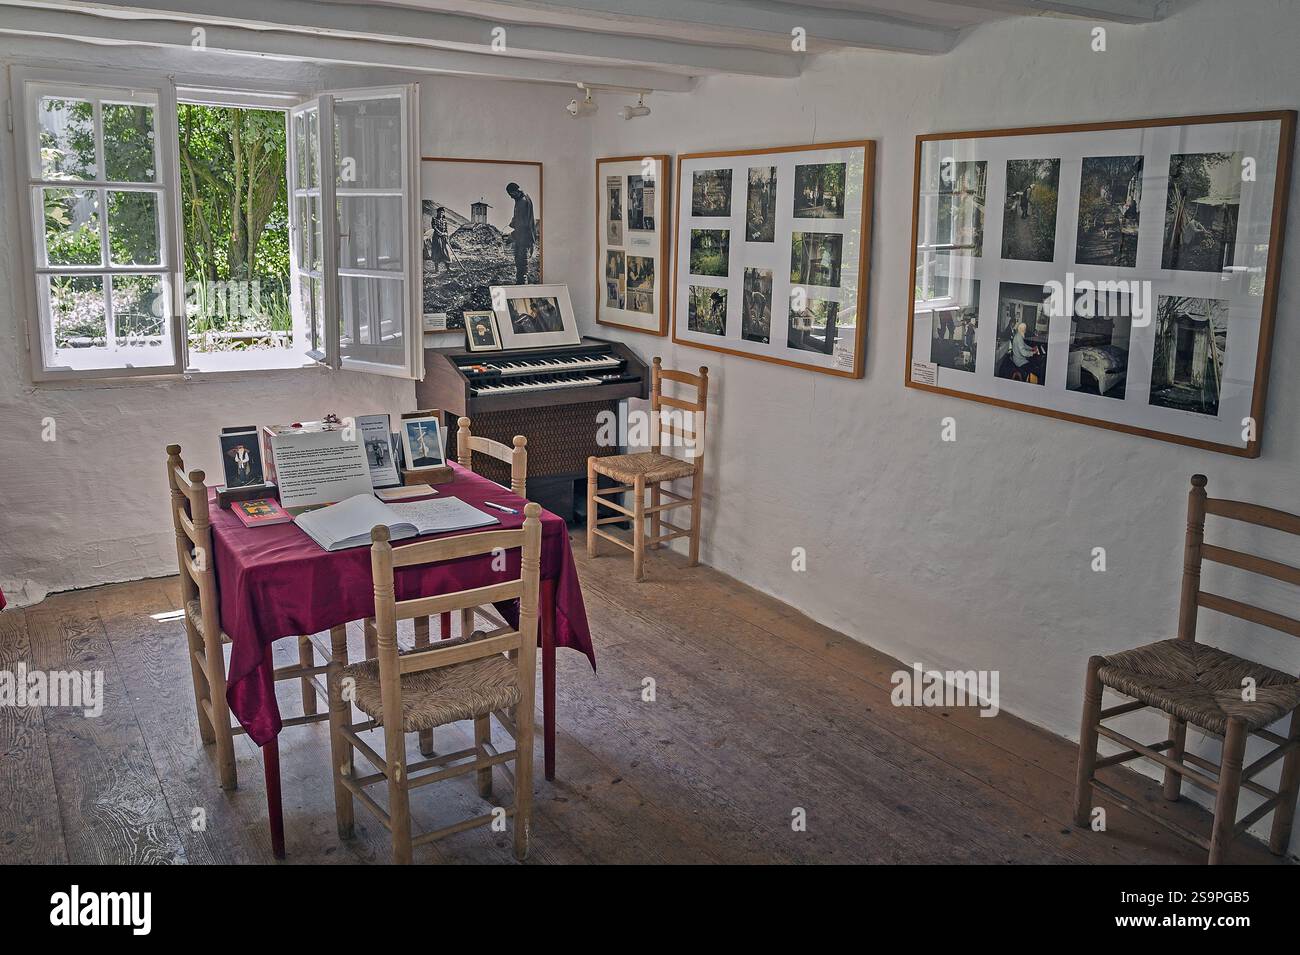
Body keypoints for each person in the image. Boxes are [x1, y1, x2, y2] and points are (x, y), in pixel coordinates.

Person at [506, 182, 537, 285]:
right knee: (519, 262)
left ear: (516, 191)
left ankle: (522, 286)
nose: (511, 197)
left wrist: (512, 236)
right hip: (522, 237)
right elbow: (519, 218)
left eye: (511, 195)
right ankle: (520, 283)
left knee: (522, 264)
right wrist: (513, 222)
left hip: (524, 238)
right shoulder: (520, 199)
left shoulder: (522, 202)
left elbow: (523, 225)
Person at [429, 207, 450, 274]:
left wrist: (446, 234)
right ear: (437, 212)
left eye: (442, 212)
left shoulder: (445, 221)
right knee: (437, 253)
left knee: (446, 252)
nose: (441, 213)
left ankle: (448, 268)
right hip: (436, 238)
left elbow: (446, 229)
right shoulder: (434, 219)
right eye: (440, 212)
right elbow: (434, 227)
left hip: (444, 238)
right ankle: (437, 269)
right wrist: (441, 233)